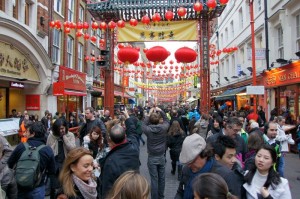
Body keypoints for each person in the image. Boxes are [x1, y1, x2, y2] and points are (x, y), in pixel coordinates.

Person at [175, 133, 241, 199]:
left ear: (205, 155)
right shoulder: (186, 169)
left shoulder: (225, 175)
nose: (189, 165)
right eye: (187, 162)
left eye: (192, 161)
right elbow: (180, 192)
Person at [7, 121, 56, 199]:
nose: (25, 134)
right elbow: (52, 172)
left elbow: (9, 164)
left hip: (20, 188)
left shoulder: (21, 146)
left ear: (33, 134)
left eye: (27, 132)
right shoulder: (47, 150)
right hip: (37, 188)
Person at [99, 108, 140, 199]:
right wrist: (127, 117)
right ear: (125, 135)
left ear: (111, 139)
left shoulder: (110, 161)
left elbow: (107, 188)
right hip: (134, 190)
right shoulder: (133, 147)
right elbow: (132, 131)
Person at [142, 106, 170, 199]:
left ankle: (154, 197)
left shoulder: (148, 130)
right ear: (158, 120)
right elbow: (167, 120)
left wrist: (149, 114)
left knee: (154, 179)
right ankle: (161, 196)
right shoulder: (163, 128)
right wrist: (161, 111)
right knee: (161, 178)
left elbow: (143, 125)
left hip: (152, 156)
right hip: (161, 156)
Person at [46, 118, 76, 199]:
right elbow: (48, 151)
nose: (61, 130)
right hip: (55, 163)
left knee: (66, 186)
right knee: (55, 187)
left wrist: (64, 138)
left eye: (62, 128)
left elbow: (72, 148)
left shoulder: (70, 135)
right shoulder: (51, 136)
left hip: (66, 162)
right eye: (59, 129)